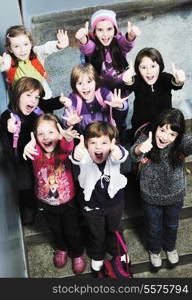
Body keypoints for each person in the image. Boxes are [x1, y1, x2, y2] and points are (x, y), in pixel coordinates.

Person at [129, 108, 192, 269]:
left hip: (175, 195)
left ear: (178, 136)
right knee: (154, 226)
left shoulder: (181, 142)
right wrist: (140, 148)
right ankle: (154, 250)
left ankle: (170, 247)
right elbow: (134, 153)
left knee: (172, 225)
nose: (165, 137)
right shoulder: (146, 138)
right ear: (156, 126)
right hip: (150, 196)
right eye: (162, 130)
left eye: (172, 134)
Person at [23, 113, 85, 274]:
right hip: (45, 203)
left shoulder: (63, 151)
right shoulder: (35, 152)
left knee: (73, 230)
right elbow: (31, 148)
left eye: (51, 132)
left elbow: (67, 147)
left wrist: (67, 138)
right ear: (35, 136)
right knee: (55, 229)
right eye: (40, 134)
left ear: (59, 133)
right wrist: (27, 146)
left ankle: (77, 253)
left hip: (68, 202)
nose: (45, 137)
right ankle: (61, 248)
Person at [0, 77, 64, 225]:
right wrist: (10, 125)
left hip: (40, 155)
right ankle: (29, 208)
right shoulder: (9, 116)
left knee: (45, 180)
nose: (33, 100)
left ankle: (46, 202)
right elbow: (6, 120)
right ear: (17, 94)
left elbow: (48, 103)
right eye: (28, 95)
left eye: (36, 97)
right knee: (25, 186)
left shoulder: (37, 109)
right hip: (22, 161)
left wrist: (60, 100)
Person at [69, 121, 129, 276]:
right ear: (86, 145)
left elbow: (122, 155)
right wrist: (77, 154)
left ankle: (118, 252)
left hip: (114, 204)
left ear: (111, 144)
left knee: (115, 229)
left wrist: (118, 151)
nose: (98, 147)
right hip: (92, 207)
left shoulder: (113, 155)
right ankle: (97, 255)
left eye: (104, 142)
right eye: (93, 142)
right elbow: (76, 158)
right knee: (96, 233)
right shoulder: (85, 157)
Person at [75, 9, 140, 140]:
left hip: (119, 90)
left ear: (114, 30)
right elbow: (87, 47)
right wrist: (82, 38)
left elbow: (126, 44)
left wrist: (131, 36)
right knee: (101, 117)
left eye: (109, 29)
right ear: (94, 32)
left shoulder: (119, 42)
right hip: (99, 91)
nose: (105, 34)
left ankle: (120, 135)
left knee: (120, 116)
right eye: (100, 30)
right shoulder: (94, 46)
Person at [122, 47, 186, 141]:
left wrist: (178, 80)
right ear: (138, 69)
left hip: (164, 123)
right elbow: (131, 85)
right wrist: (128, 80)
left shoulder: (164, 77)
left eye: (153, 66)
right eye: (143, 67)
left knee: (166, 143)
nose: (149, 71)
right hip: (141, 124)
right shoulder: (138, 80)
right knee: (141, 143)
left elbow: (175, 84)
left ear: (160, 66)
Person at [0, 25, 68, 110]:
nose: (22, 49)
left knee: (47, 113)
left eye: (25, 44)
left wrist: (57, 45)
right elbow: (4, 64)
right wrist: (1, 63)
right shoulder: (9, 60)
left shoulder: (36, 53)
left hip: (43, 96)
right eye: (16, 46)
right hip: (24, 102)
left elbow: (45, 48)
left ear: (31, 43)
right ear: (10, 49)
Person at [60, 63, 128, 135]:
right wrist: (68, 122)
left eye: (89, 82)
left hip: (106, 133)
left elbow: (124, 105)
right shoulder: (73, 98)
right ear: (74, 86)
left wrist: (120, 104)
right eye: (80, 83)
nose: (85, 87)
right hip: (86, 137)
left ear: (96, 81)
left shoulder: (103, 92)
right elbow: (66, 119)